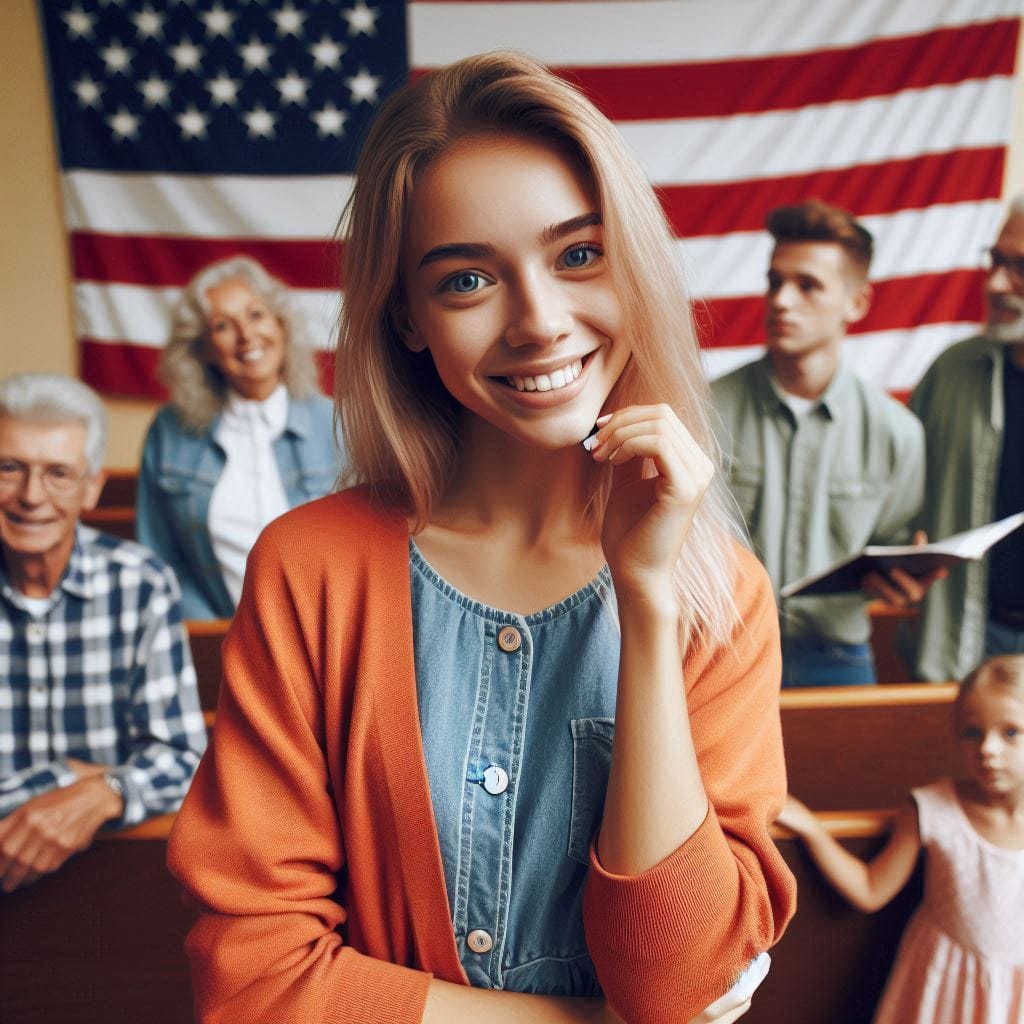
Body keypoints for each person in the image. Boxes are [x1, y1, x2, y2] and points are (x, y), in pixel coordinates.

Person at [167, 51, 796, 1024]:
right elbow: (256, 976)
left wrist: (645, 600)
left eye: (579, 254)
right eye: (466, 279)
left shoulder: (721, 593)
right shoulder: (308, 568)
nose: (540, 322)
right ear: (407, 318)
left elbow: (678, 984)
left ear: (634, 264)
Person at [0, 372, 207, 892]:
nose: (31, 496)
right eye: (10, 469)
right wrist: (65, 779)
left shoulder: (141, 583)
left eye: (58, 474)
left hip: (114, 894)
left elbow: (184, 759)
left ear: (90, 487)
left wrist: (101, 791)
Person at [712, 200, 931, 687]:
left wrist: (903, 581)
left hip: (838, 659)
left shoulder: (898, 435)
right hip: (720, 652)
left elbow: (892, 556)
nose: (781, 300)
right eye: (775, 281)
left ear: (856, 303)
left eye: (807, 285)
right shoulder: (704, 411)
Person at [778, 654, 1024, 1022]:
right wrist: (812, 829)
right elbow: (870, 889)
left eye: (1010, 733)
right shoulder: (934, 810)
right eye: (972, 732)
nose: (987, 749)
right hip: (947, 986)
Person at [137, 256, 344, 620]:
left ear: (281, 324)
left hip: (328, 641)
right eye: (222, 325)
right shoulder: (170, 431)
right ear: (202, 348)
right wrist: (217, 643)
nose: (247, 336)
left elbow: (369, 555)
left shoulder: (338, 423)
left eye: (256, 315)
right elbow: (159, 558)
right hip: (217, 644)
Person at [910, 195, 1024, 681]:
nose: (996, 282)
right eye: (995, 261)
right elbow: (901, 507)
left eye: (1019, 266)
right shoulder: (950, 372)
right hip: (969, 645)